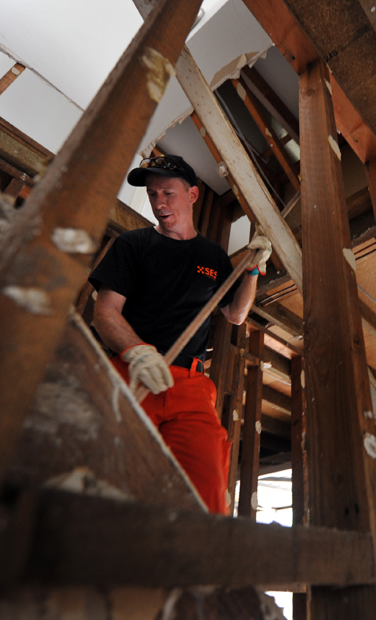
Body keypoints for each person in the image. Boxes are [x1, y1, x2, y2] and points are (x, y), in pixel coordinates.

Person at [89, 155, 272, 515]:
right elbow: (104, 313)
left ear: (192, 194)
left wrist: (251, 271)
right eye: (153, 194)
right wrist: (137, 352)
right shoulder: (132, 245)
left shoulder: (212, 256)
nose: (159, 203)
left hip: (190, 386)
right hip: (132, 372)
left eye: (168, 193)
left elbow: (235, 315)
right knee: (108, 483)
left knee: (207, 491)